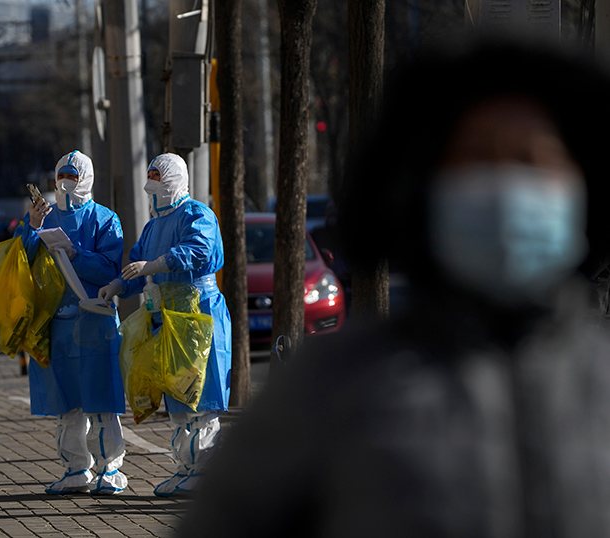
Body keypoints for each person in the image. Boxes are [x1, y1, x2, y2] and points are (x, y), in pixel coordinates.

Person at [177, 39, 610, 537]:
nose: (504, 185)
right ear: (422, 184)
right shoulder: (329, 386)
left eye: (532, 161)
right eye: (476, 158)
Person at [98, 153, 232, 497]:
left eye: (159, 177)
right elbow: (137, 267)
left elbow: (199, 251)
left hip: (198, 316)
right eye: (150, 176)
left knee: (199, 399)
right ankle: (186, 468)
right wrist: (117, 286)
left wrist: (157, 264)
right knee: (178, 398)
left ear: (174, 179)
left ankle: (203, 472)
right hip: (168, 318)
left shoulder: (197, 215)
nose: (152, 184)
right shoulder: (153, 225)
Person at [13, 150, 128, 495]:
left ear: (87, 179)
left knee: (103, 399)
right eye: (61, 176)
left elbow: (110, 268)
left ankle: (110, 468)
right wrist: (31, 227)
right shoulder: (43, 218)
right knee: (66, 402)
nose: (65, 183)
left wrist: (77, 255)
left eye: (73, 177)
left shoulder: (105, 219)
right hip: (56, 324)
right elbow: (20, 261)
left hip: (95, 321)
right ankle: (76, 468)